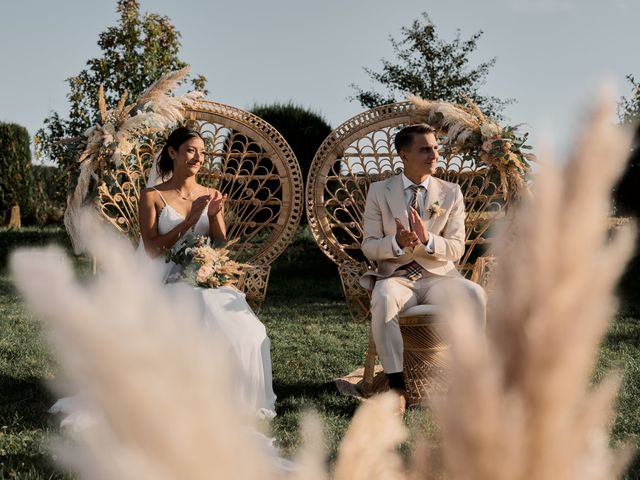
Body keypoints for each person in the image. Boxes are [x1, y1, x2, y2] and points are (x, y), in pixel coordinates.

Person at [138, 127, 277, 419]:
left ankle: (238, 401)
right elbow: (151, 249)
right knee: (200, 316)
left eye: (202, 152)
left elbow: (220, 244)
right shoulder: (152, 196)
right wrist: (188, 220)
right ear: (172, 152)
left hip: (205, 276)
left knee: (250, 331)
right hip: (166, 280)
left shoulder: (210, 194)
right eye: (190, 150)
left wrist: (213, 215)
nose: (198, 157)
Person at [359, 124, 487, 413]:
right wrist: (396, 241)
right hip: (397, 276)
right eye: (425, 149)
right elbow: (369, 245)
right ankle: (397, 387)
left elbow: (456, 249)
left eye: (435, 148)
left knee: (474, 294)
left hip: (438, 278)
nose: (434, 154)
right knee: (383, 298)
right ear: (403, 155)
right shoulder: (379, 192)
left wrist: (428, 240)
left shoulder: (451, 193)